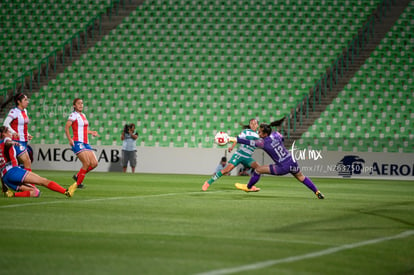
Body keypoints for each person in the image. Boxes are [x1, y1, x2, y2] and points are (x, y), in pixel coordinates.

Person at [229, 119, 325, 199]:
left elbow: (246, 142)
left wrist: (231, 139)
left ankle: (248, 187)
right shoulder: (276, 134)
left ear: (265, 134)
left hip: (282, 166)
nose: (258, 133)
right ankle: (317, 192)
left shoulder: (262, 142)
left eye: (260, 132)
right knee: (301, 177)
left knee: (258, 170)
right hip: (291, 161)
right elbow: (281, 138)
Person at [0, 126, 77, 198]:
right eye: (9, 132)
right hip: (13, 171)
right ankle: (66, 191)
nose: (10, 134)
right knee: (43, 181)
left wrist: (4, 186)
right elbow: (7, 142)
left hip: (5, 178)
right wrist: (12, 143)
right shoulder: (6, 140)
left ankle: (12, 195)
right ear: (4, 134)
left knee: (35, 192)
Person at [202, 118, 261, 191]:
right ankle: (208, 182)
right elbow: (237, 139)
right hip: (239, 154)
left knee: (259, 168)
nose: (253, 125)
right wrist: (232, 147)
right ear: (249, 125)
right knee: (226, 170)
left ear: (257, 125)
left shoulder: (259, 134)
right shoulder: (246, 131)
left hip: (248, 157)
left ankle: (250, 186)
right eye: (251, 123)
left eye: (255, 123)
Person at [65, 98, 99, 188]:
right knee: (86, 163)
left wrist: (91, 132)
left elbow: (82, 130)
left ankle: (78, 176)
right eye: (78, 103)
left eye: (82, 103)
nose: (81, 105)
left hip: (86, 142)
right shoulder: (73, 115)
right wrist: (70, 139)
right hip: (77, 142)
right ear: (74, 106)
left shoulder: (83, 115)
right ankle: (77, 184)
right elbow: (67, 127)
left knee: (94, 163)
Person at [2, 93, 33, 171]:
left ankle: (20, 181)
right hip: (17, 141)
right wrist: (13, 132)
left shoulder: (25, 111)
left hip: (24, 140)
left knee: (21, 163)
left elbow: (23, 126)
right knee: (27, 161)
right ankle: (29, 182)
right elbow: (5, 123)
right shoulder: (14, 111)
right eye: (25, 100)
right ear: (19, 102)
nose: (27, 102)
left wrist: (28, 134)